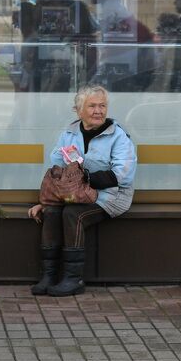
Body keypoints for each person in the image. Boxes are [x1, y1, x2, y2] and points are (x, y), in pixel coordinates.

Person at [28, 85, 137, 297]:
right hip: (75, 195)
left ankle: (73, 279)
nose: (98, 111)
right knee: (51, 212)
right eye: (92, 106)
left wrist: (85, 178)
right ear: (79, 111)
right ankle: (49, 275)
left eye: (102, 106)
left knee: (72, 214)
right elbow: (57, 172)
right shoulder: (68, 134)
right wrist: (47, 200)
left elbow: (123, 176)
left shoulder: (119, 137)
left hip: (112, 196)